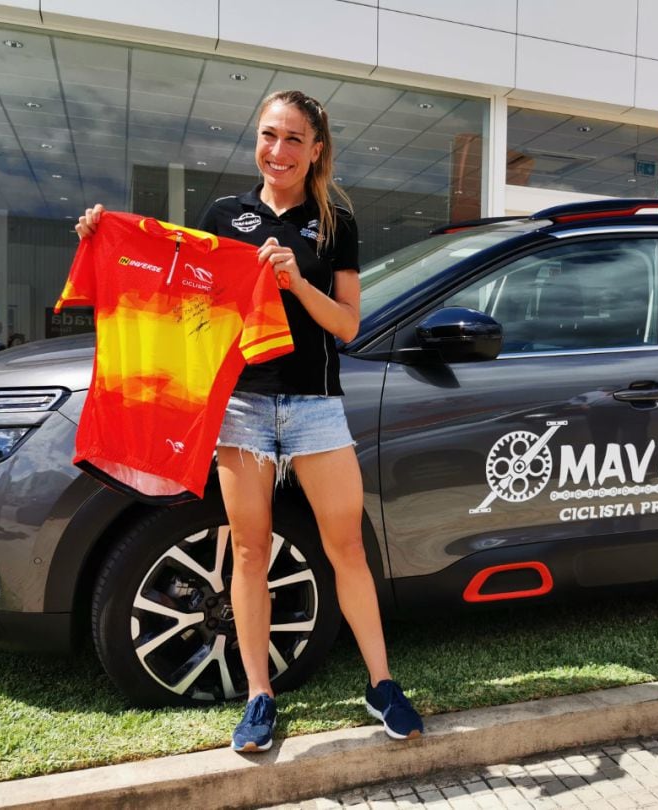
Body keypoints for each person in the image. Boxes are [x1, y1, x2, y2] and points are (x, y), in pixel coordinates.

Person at [75, 89, 423, 752]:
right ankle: (259, 694)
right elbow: (181, 290)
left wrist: (297, 282)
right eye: (269, 135)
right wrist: (106, 240)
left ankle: (381, 683)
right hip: (243, 404)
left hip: (315, 406)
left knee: (345, 547)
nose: (279, 151)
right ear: (256, 141)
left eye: (294, 139)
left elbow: (348, 326)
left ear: (317, 149)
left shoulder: (334, 223)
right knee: (249, 550)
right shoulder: (224, 215)